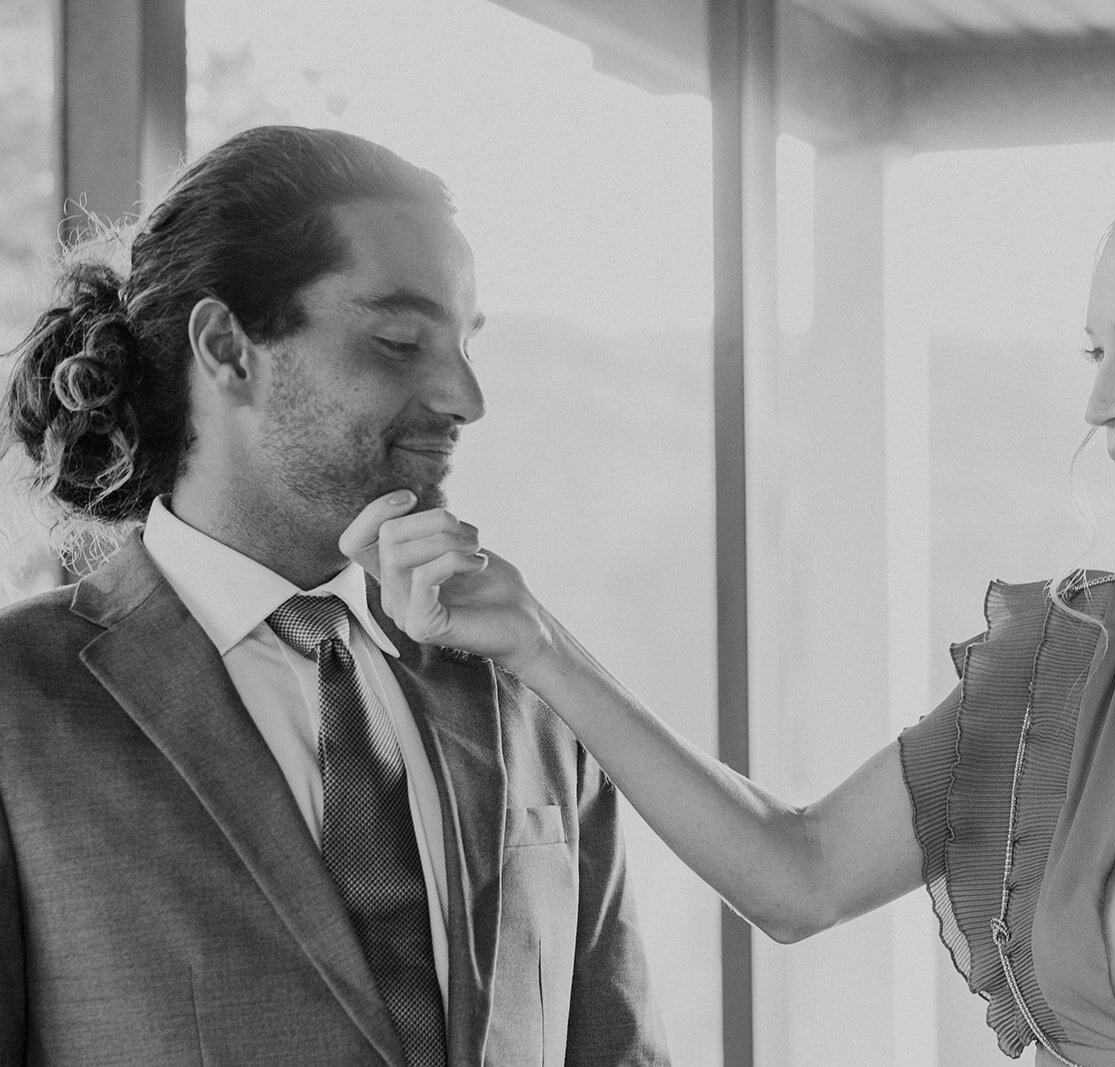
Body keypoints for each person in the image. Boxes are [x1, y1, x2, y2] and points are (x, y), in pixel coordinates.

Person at [345, 135, 1115, 1065]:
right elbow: (798, 871)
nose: (1098, 400)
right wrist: (535, 640)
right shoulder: (1064, 666)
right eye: (1092, 351)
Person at [0, 125, 668, 1066]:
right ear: (228, 347)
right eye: (400, 341)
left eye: (465, 344)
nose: (466, 396)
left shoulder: (532, 688)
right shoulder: (19, 709)